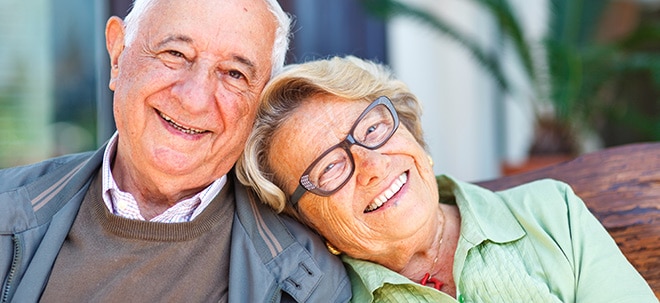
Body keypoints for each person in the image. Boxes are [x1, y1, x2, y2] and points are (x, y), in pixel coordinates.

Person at [0, 1, 352, 302]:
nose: (194, 98)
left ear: (259, 102)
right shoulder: (6, 210)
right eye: (175, 54)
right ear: (118, 54)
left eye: (234, 73)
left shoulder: (308, 283)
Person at [237, 55, 657, 302]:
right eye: (328, 168)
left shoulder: (551, 212)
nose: (371, 165)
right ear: (308, 221)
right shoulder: (334, 298)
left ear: (412, 132)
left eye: (371, 128)